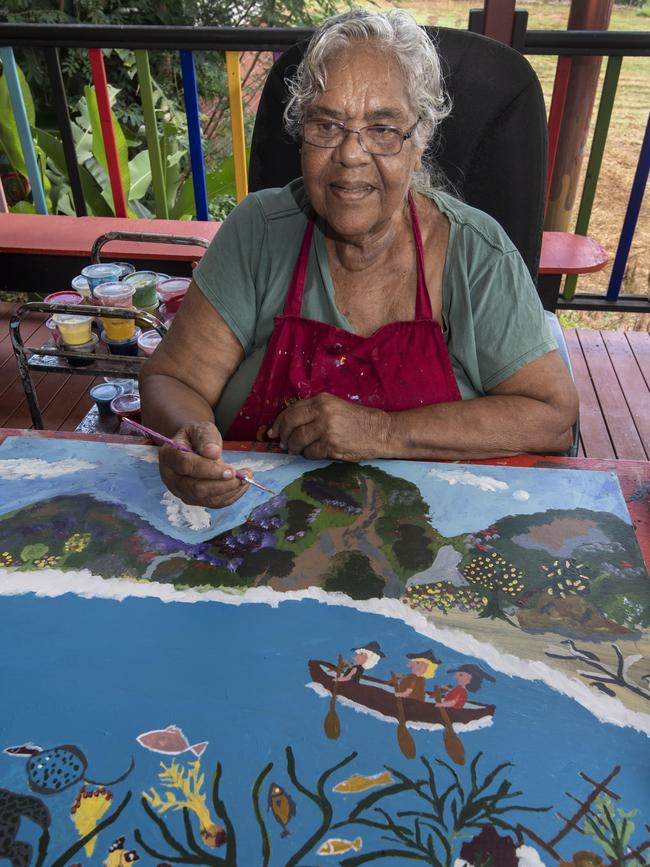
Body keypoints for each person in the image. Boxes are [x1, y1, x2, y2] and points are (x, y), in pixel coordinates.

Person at [140, 8, 578, 510]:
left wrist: (383, 432)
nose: (351, 154)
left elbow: (551, 417)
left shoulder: (475, 253)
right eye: (326, 124)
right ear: (300, 132)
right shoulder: (257, 232)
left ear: (421, 141)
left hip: (428, 546)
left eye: (383, 129)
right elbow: (171, 379)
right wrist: (185, 438)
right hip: (259, 527)